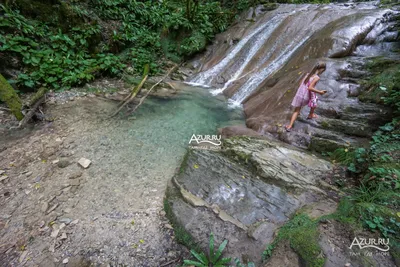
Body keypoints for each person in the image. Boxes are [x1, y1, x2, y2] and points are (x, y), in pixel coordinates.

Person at [285, 62, 327, 132]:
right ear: (321, 69)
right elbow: (310, 88)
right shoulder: (316, 78)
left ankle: (307, 114)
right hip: (305, 96)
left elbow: (300, 84)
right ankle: (291, 125)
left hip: (299, 94)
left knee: (299, 108)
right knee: (314, 100)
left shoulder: (308, 74)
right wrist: (320, 92)